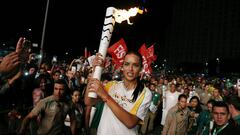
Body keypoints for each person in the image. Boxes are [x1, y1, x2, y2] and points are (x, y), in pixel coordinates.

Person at [84, 51, 152, 135]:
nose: (130, 69)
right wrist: (95, 71)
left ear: (141, 69)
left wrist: (106, 96)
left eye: (135, 65)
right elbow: (89, 101)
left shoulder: (145, 93)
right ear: (122, 66)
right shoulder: (111, 85)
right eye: (127, 64)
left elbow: (130, 122)